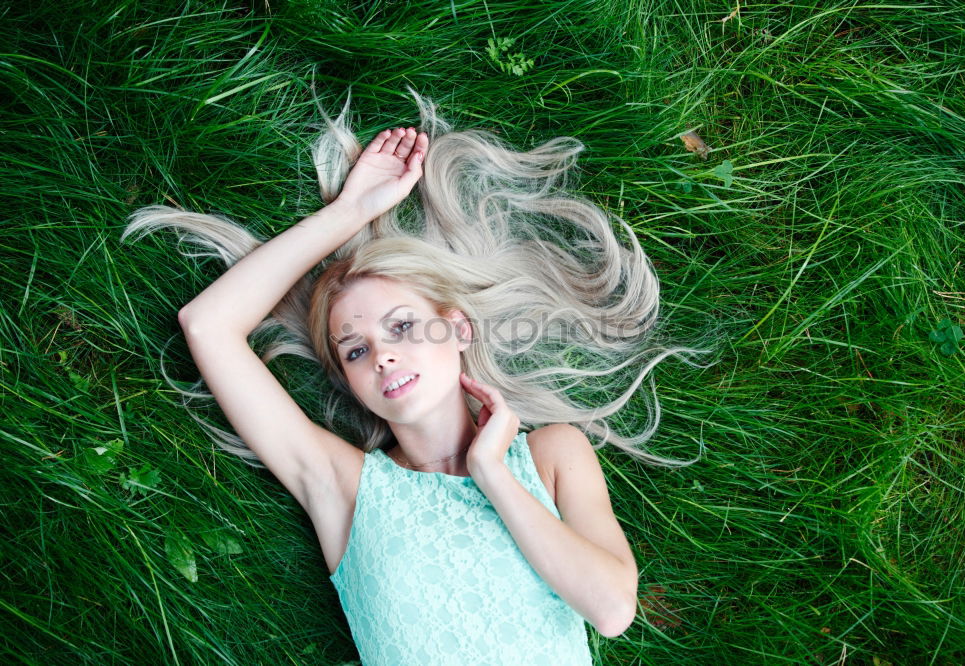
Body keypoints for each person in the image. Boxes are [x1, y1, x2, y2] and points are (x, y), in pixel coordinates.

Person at [122, 88, 717, 665]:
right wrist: (349, 213)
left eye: (402, 327)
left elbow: (612, 610)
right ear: (350, 382)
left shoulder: (553, 453)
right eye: (354, 352)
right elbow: (207, 326)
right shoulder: (344, 486)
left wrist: (492, 473)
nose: (380, 356)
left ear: (457, 330)